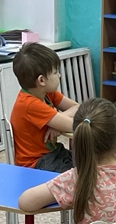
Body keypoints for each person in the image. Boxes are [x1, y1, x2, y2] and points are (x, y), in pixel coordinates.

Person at [10, 42, 80, 172]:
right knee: (80, 174)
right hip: (36, 163)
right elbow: (74, 125)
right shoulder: (30, 104)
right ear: (41, 80)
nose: (59, 75)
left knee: (88, 163)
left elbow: (77, 107)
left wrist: (58, 121)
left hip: (52, 153)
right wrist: (60, 121)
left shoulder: (46, 92)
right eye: (55, 72)